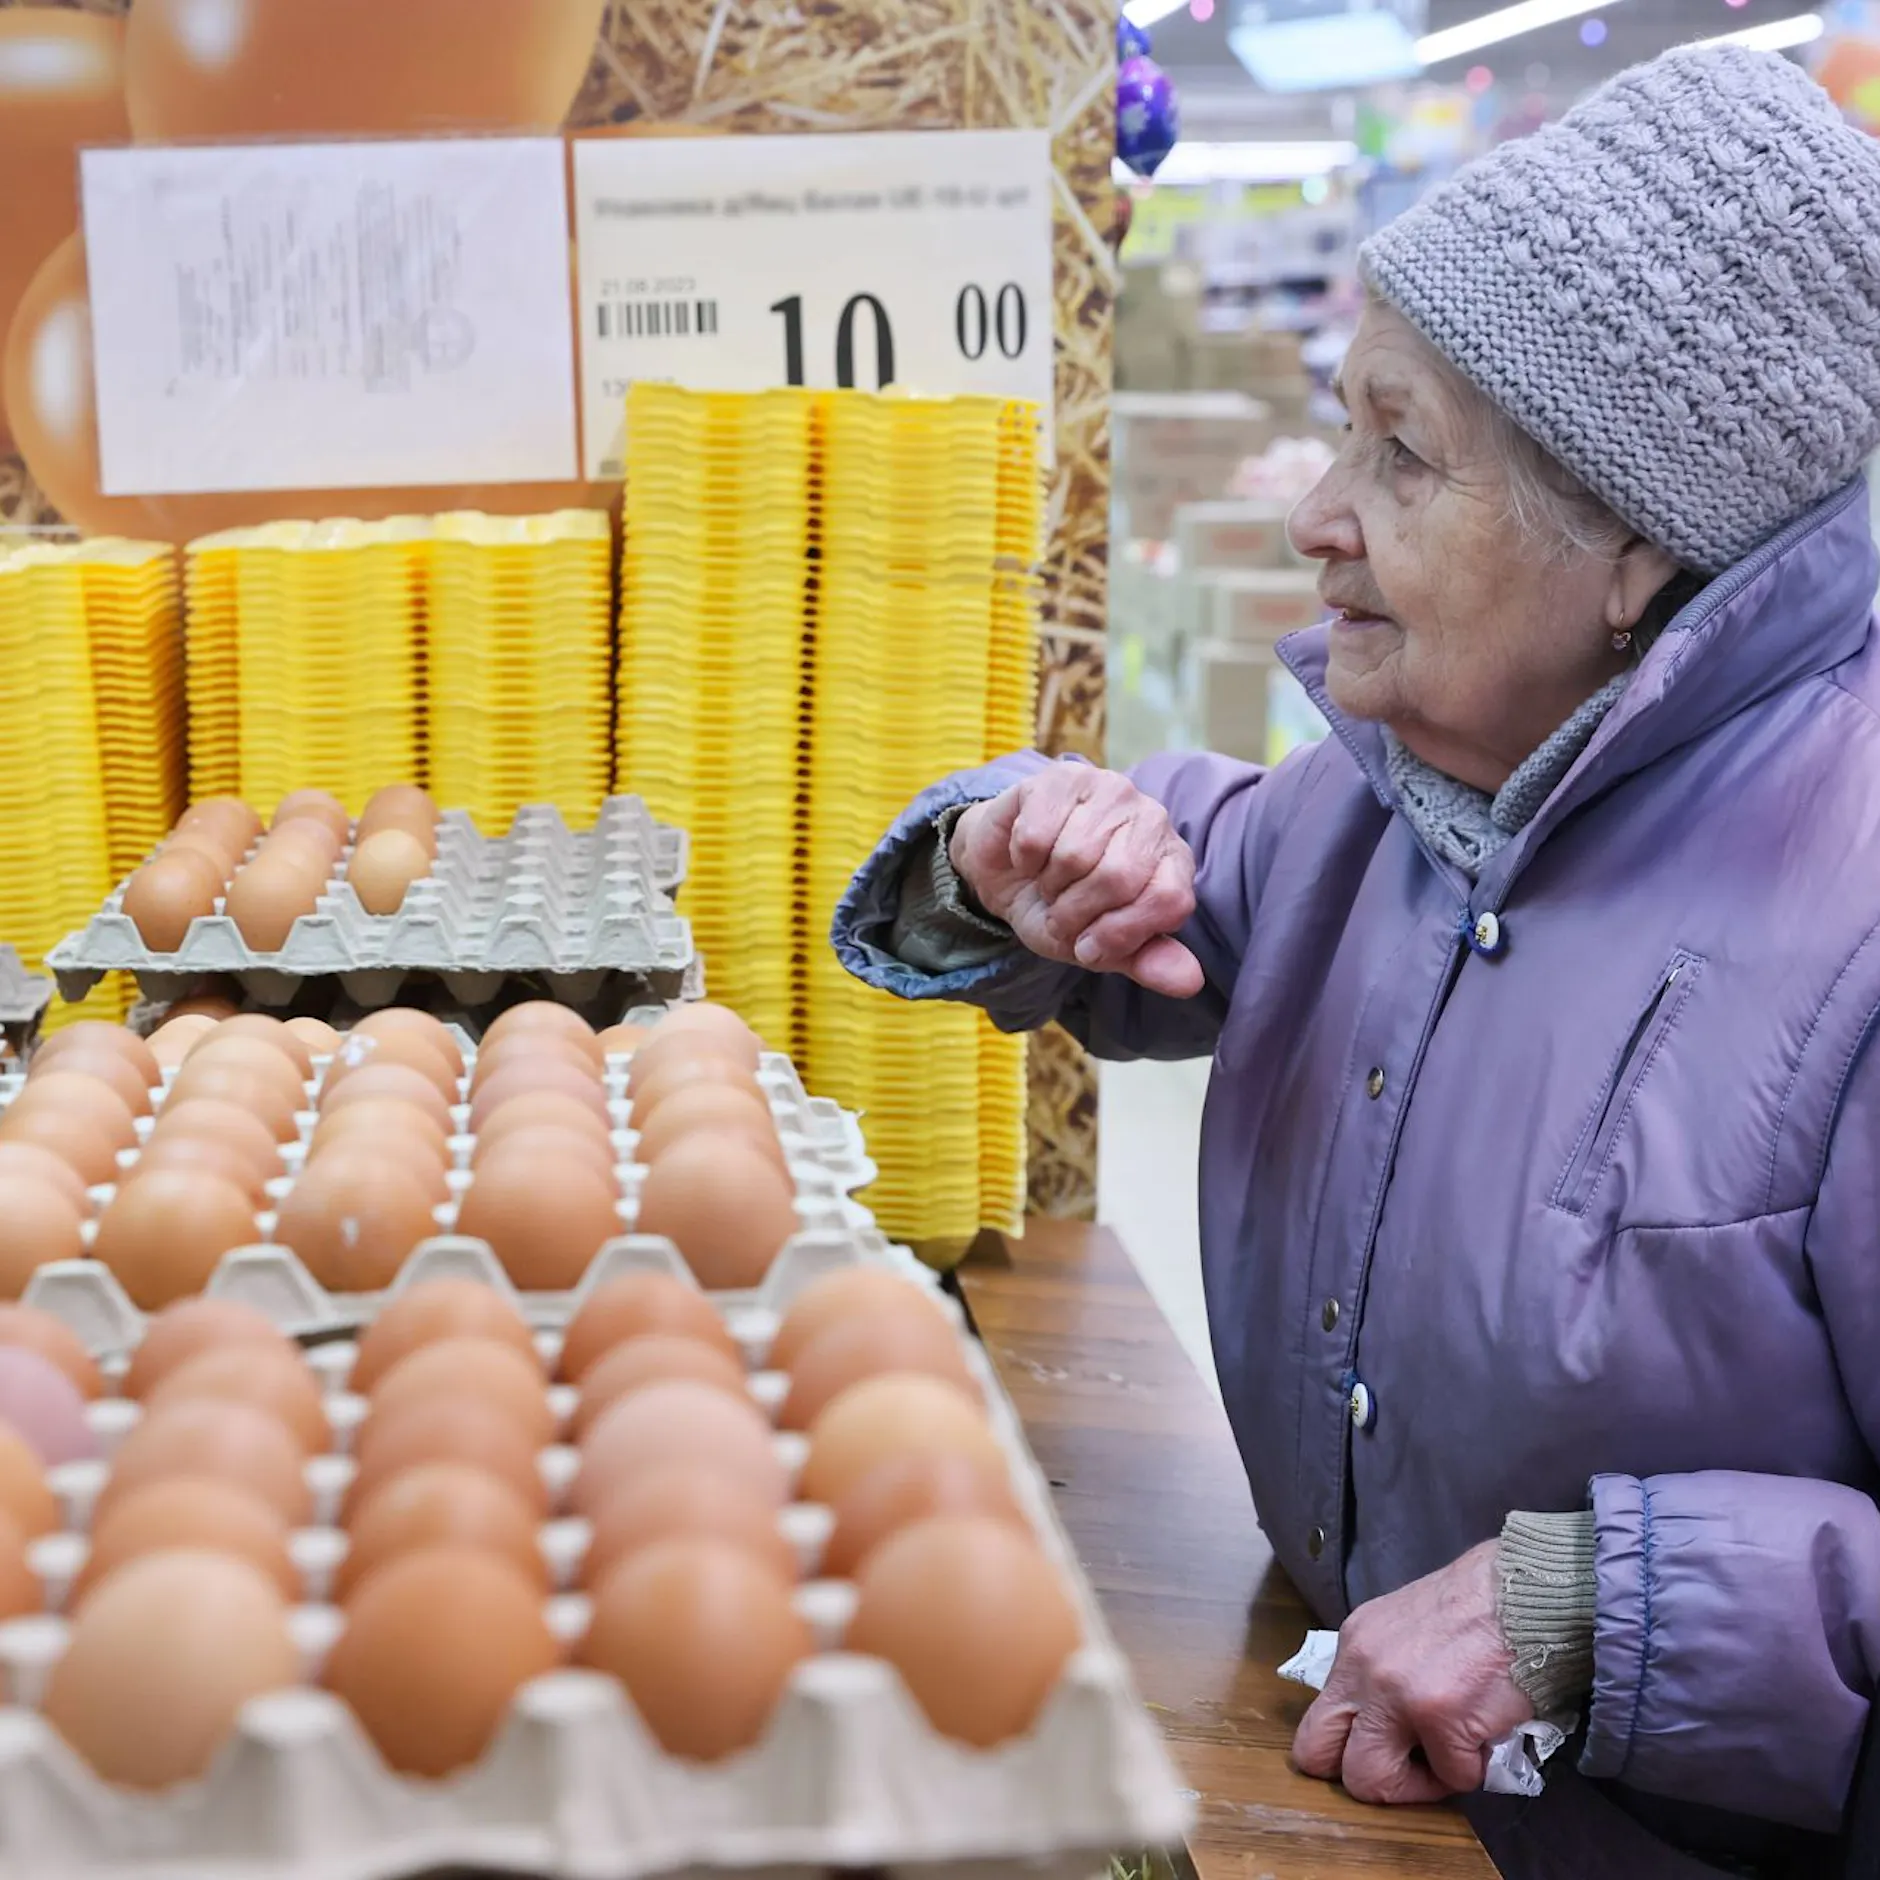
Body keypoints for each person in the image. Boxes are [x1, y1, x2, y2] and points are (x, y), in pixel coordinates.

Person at [833, 44, 1880, 1880]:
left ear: (1639, 543)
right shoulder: (1403, 799)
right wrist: (1010, 857)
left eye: (1400, 453)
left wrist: (1598, 1616)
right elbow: (1167, 875)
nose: (1316, 513)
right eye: (1343, 424)